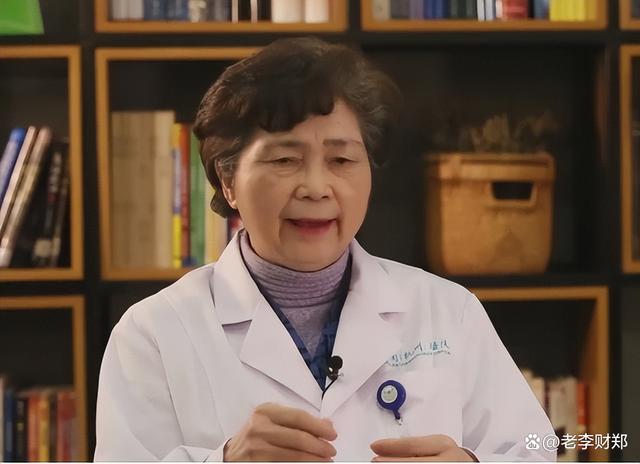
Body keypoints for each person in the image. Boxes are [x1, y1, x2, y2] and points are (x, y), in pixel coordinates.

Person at [94, 37, 556, 462]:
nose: (316, 187)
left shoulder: (449, 311)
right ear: (228, 180)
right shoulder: (154, 333)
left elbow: (537, 448)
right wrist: (226, 460)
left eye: (341, 160)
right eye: (284, 159)